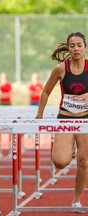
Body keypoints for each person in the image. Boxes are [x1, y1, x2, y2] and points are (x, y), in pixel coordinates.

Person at [36, 32, 88, 211]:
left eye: (79, 45)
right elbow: (45, 92)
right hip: (65, 118)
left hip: (85, 120)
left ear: (84, 47)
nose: (76, 49)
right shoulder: (60, 68)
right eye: (72, 45)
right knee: (60, 162)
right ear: (68, 48)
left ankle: (76, 200)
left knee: (84, 161)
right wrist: (39, 116)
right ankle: (68, 147)